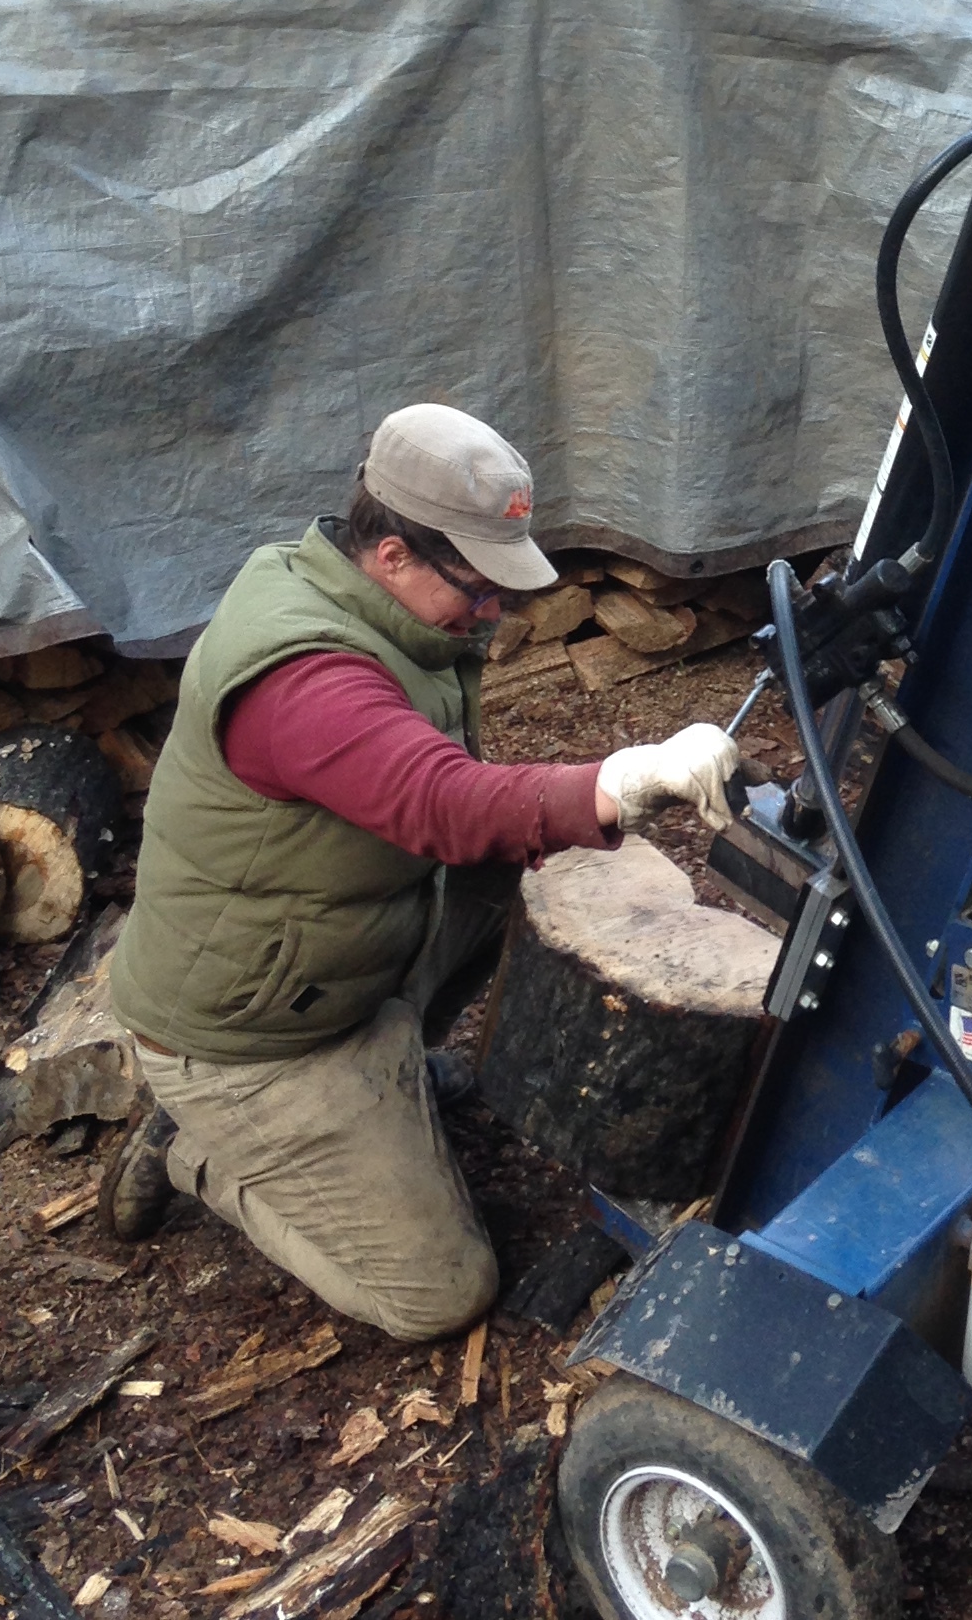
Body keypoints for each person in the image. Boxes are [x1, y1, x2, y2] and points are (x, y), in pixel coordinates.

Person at [101, 402, 739, 1341]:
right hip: (256, 1036)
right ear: (394, 554)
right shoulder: (302, 674)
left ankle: (383, 1069)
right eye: (480, 588)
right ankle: (204, 1151)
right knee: (440, 1296)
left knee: (533, 881)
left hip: (335, 959)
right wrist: (624, 778)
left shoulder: (370, 602)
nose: (495, 613)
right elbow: (442, 803)